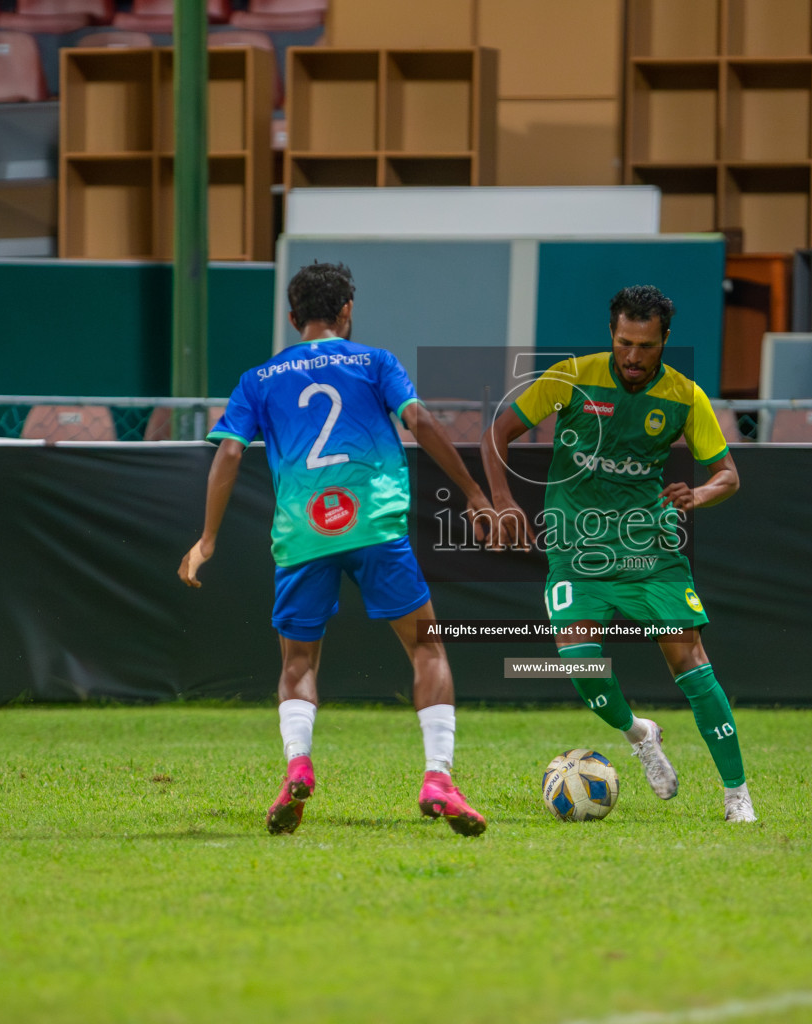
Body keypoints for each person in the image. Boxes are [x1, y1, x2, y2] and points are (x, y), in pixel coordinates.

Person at [179, 261, 494, 837]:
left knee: (297, 662)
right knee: (428, 649)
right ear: (347, 311)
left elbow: (227, 454)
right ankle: (437, 778)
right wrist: (473, 492)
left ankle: (298, 766)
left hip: (303, 536)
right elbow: (419, 421)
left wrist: (207, 539)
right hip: (375, 527)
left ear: (294, 317)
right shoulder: (375, 362)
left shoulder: (259, 378)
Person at [480, 285, 756, 823]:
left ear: (665, 340)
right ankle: (640, 734)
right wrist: (502, 501)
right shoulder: (572, 377)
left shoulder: (684, 396)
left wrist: (698, 494)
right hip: (575, 546)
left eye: (646, 346)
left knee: (689, 660)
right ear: (612, 334)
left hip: (648, 547)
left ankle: (736, 793)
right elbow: (498, 433)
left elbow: (728, 475)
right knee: (579, 663)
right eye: (625, 342)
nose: (633, 356)